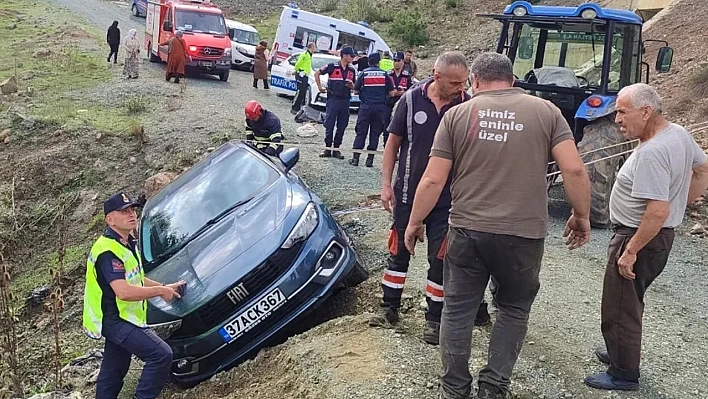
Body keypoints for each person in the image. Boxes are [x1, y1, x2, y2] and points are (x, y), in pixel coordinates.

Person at [403, 52, 592, 399]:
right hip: (522, 235)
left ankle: (454, 389)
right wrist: (581, 215)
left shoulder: (457, 115)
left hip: (466, 231)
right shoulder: (547, 112)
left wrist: (415, 222)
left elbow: (432, 180)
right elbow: (575, 170)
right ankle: (494, 387)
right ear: (513, 81)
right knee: (514, 309)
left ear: (475, 81)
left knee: (457, 311)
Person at [583, 83, 708, 391]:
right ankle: (619, 351)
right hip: (655, 237)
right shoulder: (677, 133)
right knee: (627, 300)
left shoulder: (652, 152)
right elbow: (703, 167)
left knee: (620, 306)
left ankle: (623, 373)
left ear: (646, 111)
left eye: (623, 112)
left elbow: (656, 212)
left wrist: (630, 251)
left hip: (639, 237)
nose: (617, 120)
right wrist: (685, 199)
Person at [370, 51, 490, 346]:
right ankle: (389, 308)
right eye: (455, 83)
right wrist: (387, 185)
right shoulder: (410, 101)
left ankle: (434, 320)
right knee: (398, 251)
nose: (461, 88)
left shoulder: (467, 105)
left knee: (441, 259)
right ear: (436, 77)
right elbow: (392, 145)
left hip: (448, 200)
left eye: (465, 82)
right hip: (408, 193)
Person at [83, 192, 186, 399]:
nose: (131, 215)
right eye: (124, 211)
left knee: (113, 371)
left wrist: (166, 287)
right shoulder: (107, 251)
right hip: (113, 319)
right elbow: (123, 291)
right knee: (160, 355)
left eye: (132, 210)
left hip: (122, 316)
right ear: (109, 219)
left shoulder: (127, 242)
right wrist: (159, 291)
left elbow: (135, 278)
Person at [349, 52, 395, 167]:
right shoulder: (385, 75)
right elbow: (392, 93)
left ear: (369, 62)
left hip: (365, 107)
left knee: (361, 133)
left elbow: (355, 91)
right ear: (379, 62)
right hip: (380, 108)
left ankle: (355, 159)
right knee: (375, 134)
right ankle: (370, 160)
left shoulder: (364, 73)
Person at [314, 46, 357, 159]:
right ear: (344, 55)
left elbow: (355, 87)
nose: (352, 58)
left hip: (345, 100)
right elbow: (317, 73)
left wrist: (352, 86)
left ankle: (336, 149)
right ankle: (328, 148)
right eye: (351, 56)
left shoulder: (352, 71)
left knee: (342, 125)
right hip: (333, 99)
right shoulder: (332, 66)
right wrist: (320, 88)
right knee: (329, 124)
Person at [382, 51, 413, 147]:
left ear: (402, 61)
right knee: (386, 127)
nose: (396, 62)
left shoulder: (407, 76)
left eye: (398, 60)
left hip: (400, 104)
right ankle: (386, 147)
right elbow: (383, 89)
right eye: (394, 60)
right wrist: (391, 93)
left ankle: (396, 149)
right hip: (389, 103)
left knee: (399, 127)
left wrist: (403, 93)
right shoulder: (388, 74)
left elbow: (410, 90)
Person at [291, 42, 317, 114]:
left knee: (303, 92)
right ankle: (294, 107)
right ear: (311, 47)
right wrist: (295, 70)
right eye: (314, 47)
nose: (315, 48)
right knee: (299, 91)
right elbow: (298, 63)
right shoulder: (305, 54)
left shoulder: (310, 55)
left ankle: (298, 107)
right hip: (301, 74)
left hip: (305, 75)